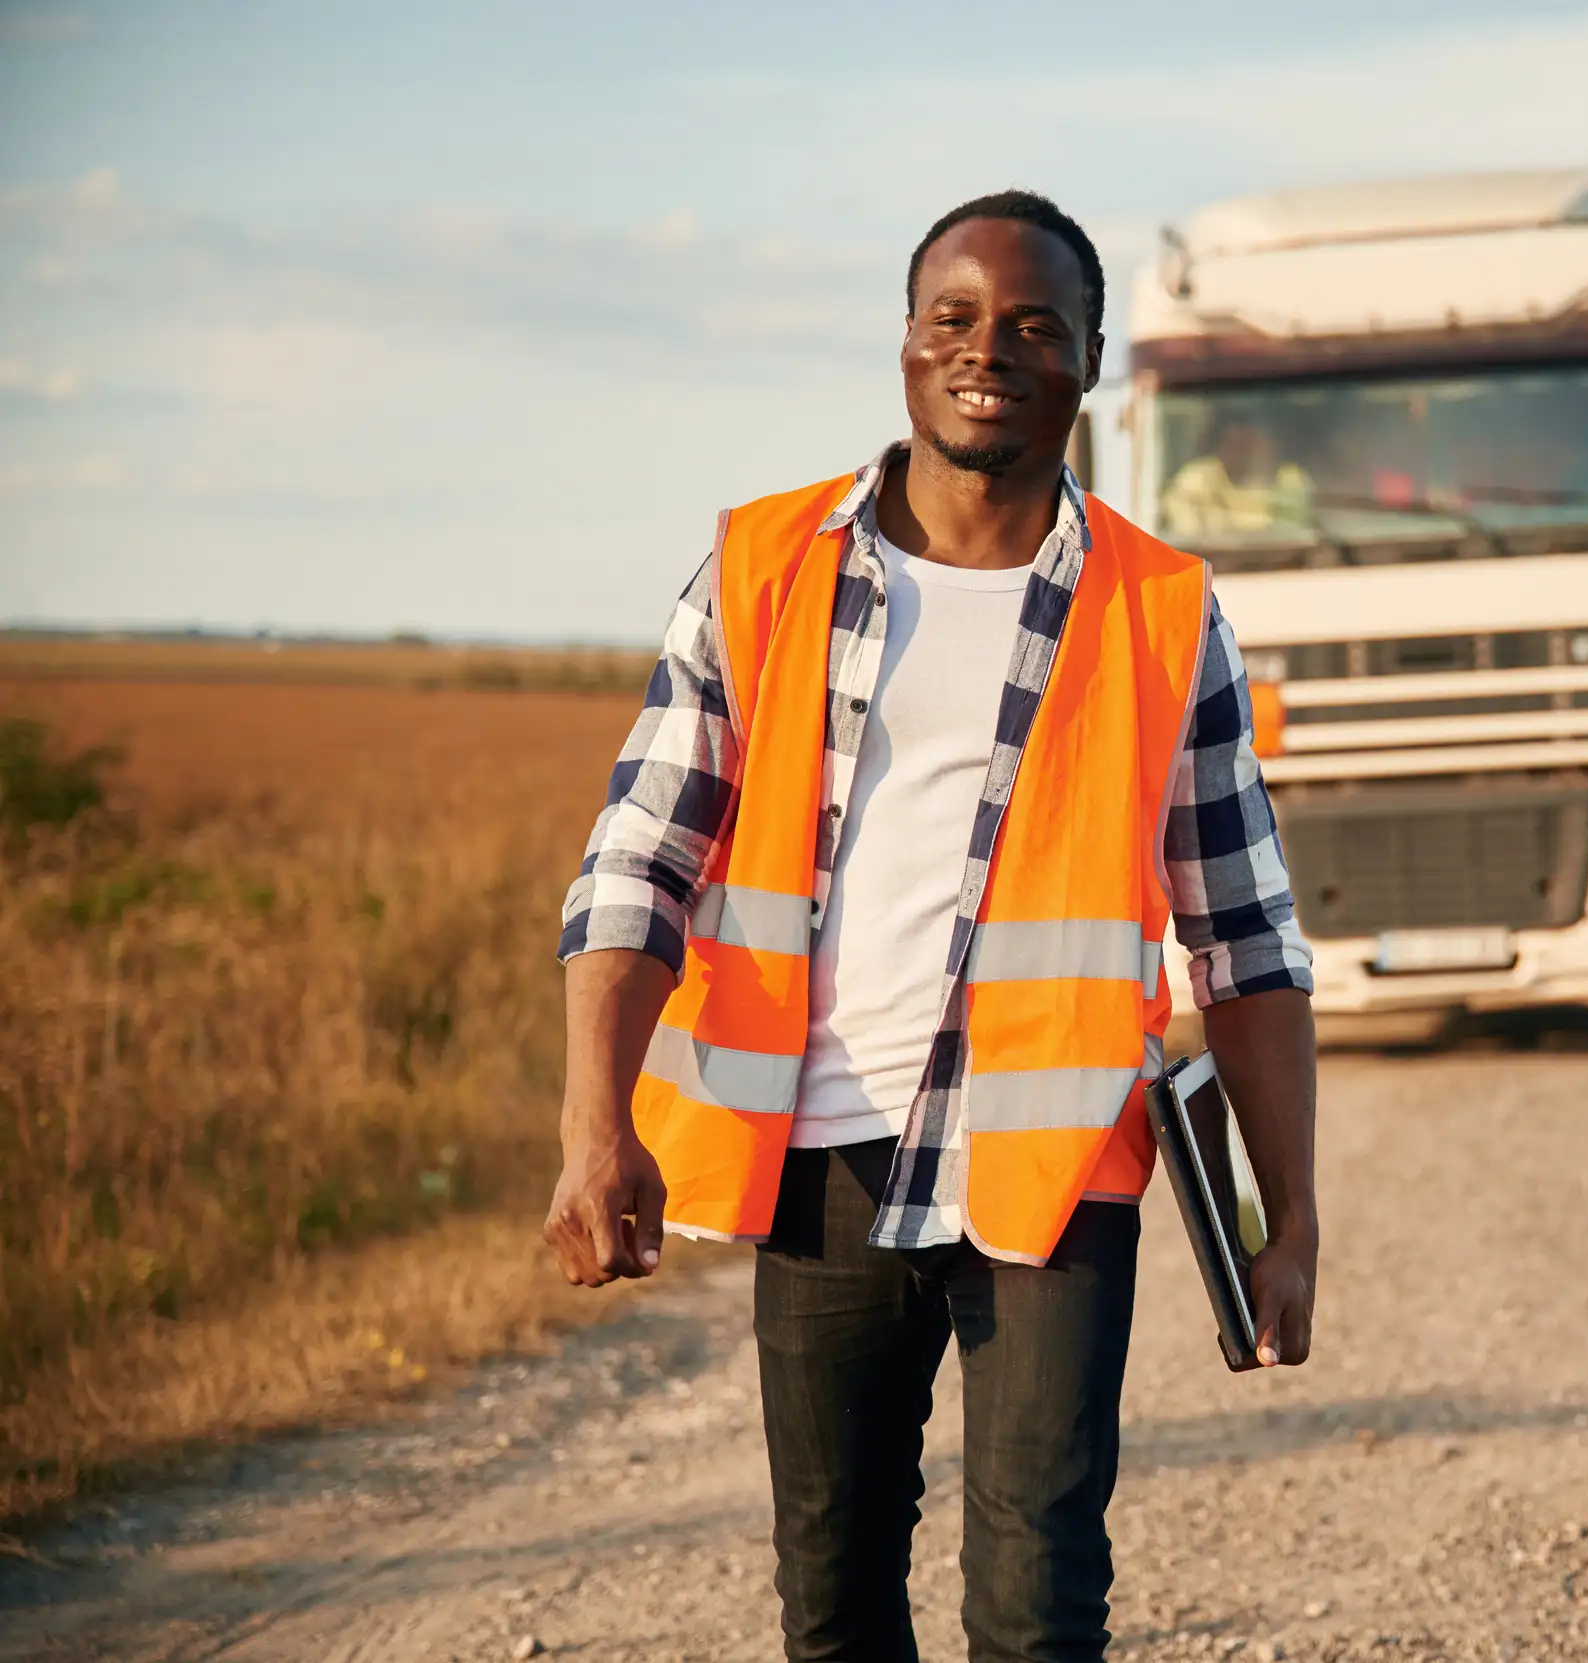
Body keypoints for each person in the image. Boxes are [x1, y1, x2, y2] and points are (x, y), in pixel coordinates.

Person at [541, 189, 1321, 1663]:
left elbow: (1249, 938)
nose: (990, 350)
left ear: (1092, 365)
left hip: (1051, 1168)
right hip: (817, 1161)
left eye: (1036, 325)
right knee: (832, 1602)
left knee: (1039, 1609)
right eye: (954, 317)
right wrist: (600, 1125)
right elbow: (634, 865)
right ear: (905, 342)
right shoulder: (764, 568)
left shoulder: (1164, 609)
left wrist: (1292, 1220)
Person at [1160, 418, 1314, 537]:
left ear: (1270, 446)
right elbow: (1186, 535)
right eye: (1234, 444)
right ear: (1221, 447)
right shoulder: (1199, 478)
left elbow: (1291, 532)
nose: (1244, 453)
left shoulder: (1289, 479)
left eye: (1250, 444)